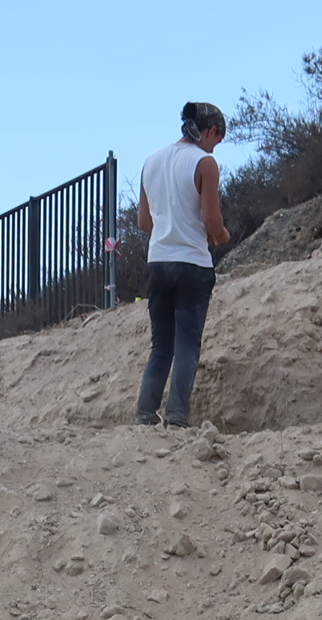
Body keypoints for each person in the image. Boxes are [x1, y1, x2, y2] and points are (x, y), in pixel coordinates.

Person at [134, 103, 230, 428]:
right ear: (211, 131)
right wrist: (221, 235)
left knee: (161, 346)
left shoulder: (151, 162)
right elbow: (212, 220)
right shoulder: (205, 163)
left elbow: (144, 222)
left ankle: (145, 413)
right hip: (192, 264)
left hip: (158, 262)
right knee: (187, 343)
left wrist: (168, 227)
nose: (215, 148)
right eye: (217, 140)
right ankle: (177, 417)